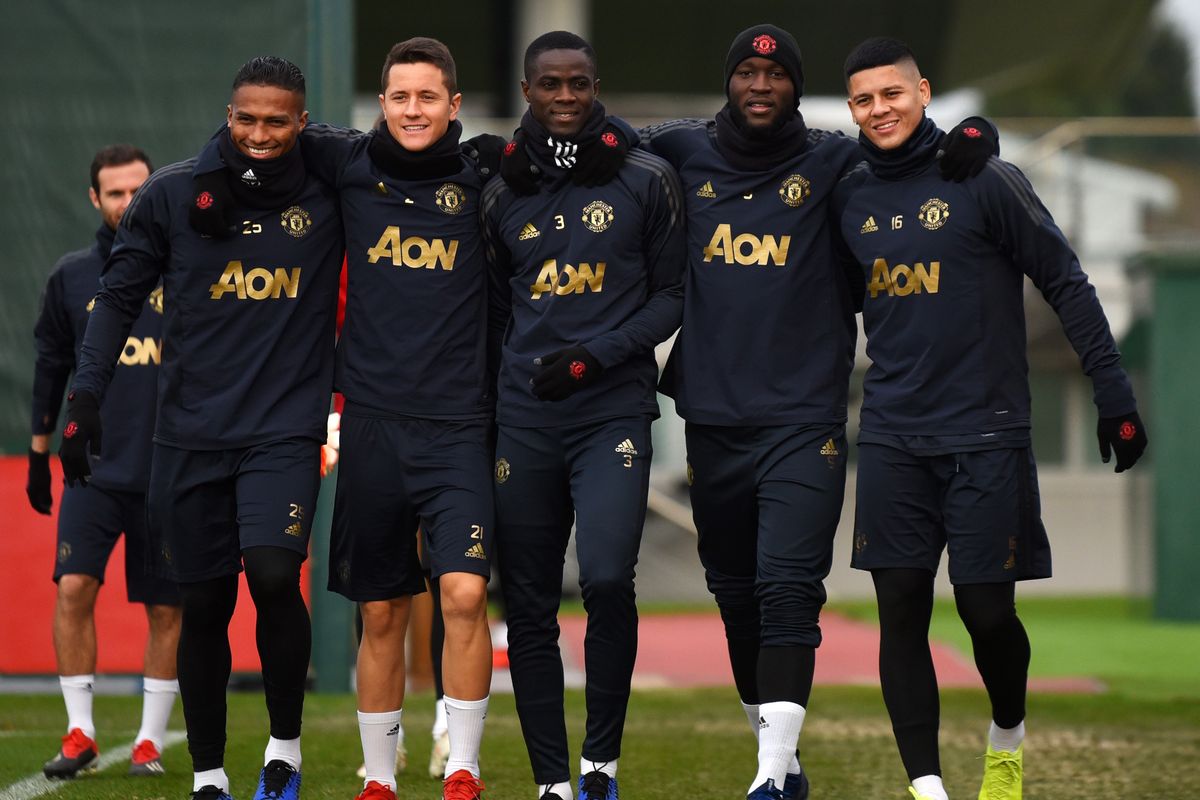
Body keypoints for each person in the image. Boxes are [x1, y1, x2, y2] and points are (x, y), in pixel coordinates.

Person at [592, 24, 996, 800]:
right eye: (746, 71)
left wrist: (979, 131)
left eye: (776, 76)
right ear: (730, 82)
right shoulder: (681, 151)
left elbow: (914, 147)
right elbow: (602, 135)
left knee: (788, 587)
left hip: (805, 416)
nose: (761, 85)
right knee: (736, 593)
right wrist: (492, 153)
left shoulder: (832, 156)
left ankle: (770, 774)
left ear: (793, 88)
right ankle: (779, 760)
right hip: (712, 413)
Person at [833, 37, 1148, 800]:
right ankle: (929, 788)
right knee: (900, 608)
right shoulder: (848, 194)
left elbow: (1067, 280)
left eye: (892, 94)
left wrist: (1114, 394)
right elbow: (827, 310)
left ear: (924, 92)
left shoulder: (985, 178)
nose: (879, 110)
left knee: (986, 613)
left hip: (986, 432)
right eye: (863, 100)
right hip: (893, 437)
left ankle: (1007, 735)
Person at [60, 56, 345, 800]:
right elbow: (117, 297)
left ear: (301, 122)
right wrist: (85, 395)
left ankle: (283, 750)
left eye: (276, 120)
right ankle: (210, 772)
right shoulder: (172, 194)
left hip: (283, 427)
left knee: (276, 574)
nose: (258, 133)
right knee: (206, 604)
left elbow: (408, 160)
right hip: (187, 435)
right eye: (245, 118)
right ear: (228, 114)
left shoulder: (330, 181)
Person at [483, 30, 685, 800]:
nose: (564, 97)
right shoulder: (500, 189)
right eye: (549, 85)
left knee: (605, 580)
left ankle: (600, 764)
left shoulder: (645, 178)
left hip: (612, 413)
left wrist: (594, 356)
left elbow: (672, 295)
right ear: (528, 90)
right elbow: (498, 308)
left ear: (596, 85)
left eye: (578, 84)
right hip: (525, 419)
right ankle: (551, 782)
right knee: (528, 601)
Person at [299, 37, 498, 800]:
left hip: (458, 425)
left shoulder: (485, 172)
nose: (414, 110)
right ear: (381, 104)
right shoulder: (346, 163)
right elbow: (262, 131)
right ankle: (379, 776)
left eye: (428, 97)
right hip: (375, 423)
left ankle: (464, 767)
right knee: (380, 610)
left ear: (453, 104)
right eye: (400, 97)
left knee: (464, 594)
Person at [30, 144, 181, 780]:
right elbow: (49, 369)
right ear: (95, 199)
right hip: (93, 470)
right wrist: (39, 456)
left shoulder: (188, 266)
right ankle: (80, 731)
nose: (128, 202)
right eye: (115, 193)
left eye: (138, 191)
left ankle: (148, 741)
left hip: (171, 469)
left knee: (168, 609)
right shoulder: (71, 277)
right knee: (73, 590)